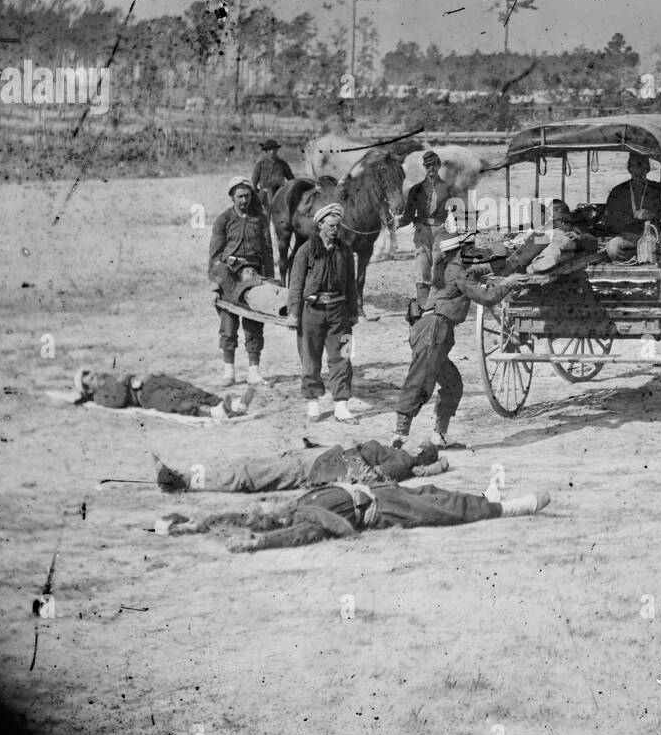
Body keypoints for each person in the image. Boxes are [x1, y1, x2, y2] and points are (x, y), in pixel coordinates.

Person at [393, 231, 549, 448]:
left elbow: (475, 270)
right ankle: (400, 436)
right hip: (434, 331)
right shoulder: (458, 271)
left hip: (430, 330)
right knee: (419, 380)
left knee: (453, 384)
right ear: (460, 251)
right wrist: (509, 282)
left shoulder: (445, 265)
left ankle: (440, 435)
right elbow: (487, 297)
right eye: (468, 248)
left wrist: (495, 267)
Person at [158, 478, 552, 551]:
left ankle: (484, 497)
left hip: (377, 490)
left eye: (267, 506)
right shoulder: (304, 519)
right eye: (268, 513)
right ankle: (509, 508)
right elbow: (304, 535)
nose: (268, 506)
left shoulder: (297, 503)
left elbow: (243, 515)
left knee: (433, 493)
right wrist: (259, 543)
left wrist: (197, 524)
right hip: (384, 510)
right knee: (444, 510)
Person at [150, 437, 448, 494]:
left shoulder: (400, 463)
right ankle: (182, 475)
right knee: (246, 465)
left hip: (314, 469)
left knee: (247, 475)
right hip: (317, 458)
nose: (410, 442)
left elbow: (369, 480)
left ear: (419, 451)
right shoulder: (398, 454)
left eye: (416, 443)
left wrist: (430, 467)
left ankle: (181, 482)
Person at [286, 202, 359, 423]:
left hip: (339, 312)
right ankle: (313, 402)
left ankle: (341, 405)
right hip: (312, 311)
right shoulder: (306, 250)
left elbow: (351, 284)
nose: (335, 230)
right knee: (310, 357)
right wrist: (294, 313)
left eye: (337, 226)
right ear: (320, 225)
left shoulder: (345, 250)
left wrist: (353, 312)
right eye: (331, 226)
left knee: (343, 357)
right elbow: (296, 284)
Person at [208, 176, 276, 387]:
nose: (244, 200)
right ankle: (229, 372)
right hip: (229, 277)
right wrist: (215, 284)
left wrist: (270, 280)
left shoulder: (260, 219)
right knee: (228, 326)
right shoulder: (224, 220)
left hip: (254, 277)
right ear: (232, 197)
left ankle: (253, 372)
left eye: (247, 195)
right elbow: (215, 254)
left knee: (254, 324)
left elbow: (267, 251)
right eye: (239, 196)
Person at [73, 369, 254, 421]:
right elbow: (119, 401)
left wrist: (144, 375)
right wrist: (125, 379)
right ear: (88, 389)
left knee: (188, 389)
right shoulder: (99, 397)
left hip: (149, 381)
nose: (93, 375)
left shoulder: (107, 376)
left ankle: (232, 405)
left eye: (90, 372)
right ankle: (215, 412)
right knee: (176, 398)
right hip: (143, 396)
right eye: (88, 378)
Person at [399, 150, 453, 307]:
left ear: (439, 165)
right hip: (422, 231)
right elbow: (407, 215)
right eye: (428, 166)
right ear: (424, 167)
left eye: (434, 165)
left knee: (439, 268)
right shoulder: (415, 190)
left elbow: (456, 213)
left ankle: (437, 304)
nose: (431, 168)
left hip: (441, 231)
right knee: (422, 269)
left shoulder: (448, 189)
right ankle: (423, 305)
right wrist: (396, 223)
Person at [601, 153, 661, 261]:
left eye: (640, 165)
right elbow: (609, 221)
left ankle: (644, 255)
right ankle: (639, 256)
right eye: (632, 166)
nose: (636, 170)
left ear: (647, 169)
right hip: (628, 238)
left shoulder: (658, 190)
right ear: (629, 169)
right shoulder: (618, 191)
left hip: (653, 238)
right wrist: (632, 217)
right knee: (613, 247)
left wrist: (653, 216)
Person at [210, 262, 288, 318]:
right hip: (255, 292)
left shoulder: (263, 279)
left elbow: (279, 286)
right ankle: (286, 310)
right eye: (247, 272)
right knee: (268, 299)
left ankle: (295, 306)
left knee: (287, 293)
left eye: (253, 271)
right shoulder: (238, 287)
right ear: (239, 275)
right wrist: (215, 290)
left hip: (272, 287)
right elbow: (219, 268)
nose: (251, 273)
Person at [250, 138, 294, 212]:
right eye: (270, 150)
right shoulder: (261, 165)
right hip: (265, 195)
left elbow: (291, 179)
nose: (273, 151)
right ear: (266, 151)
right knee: (265, 216)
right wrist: (257, 192)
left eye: (274, 149)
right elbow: (254, 181)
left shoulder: (282, 164)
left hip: (279, 194)